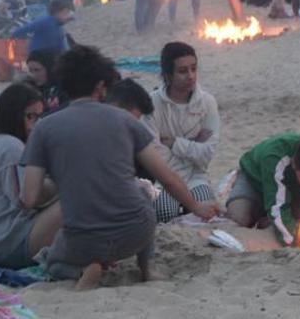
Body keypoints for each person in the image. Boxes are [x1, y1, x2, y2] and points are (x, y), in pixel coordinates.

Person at [20, 45, 219, 291]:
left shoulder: (44, 128)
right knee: (141, 193)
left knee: (51, 261)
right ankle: (147, 267)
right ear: (101, 86)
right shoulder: (124, 119)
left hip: (85, 240)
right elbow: (167, 178)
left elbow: (29, 197)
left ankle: (84, 270)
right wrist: (196, 206)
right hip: (137, 233)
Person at [0, 83, 62, 269]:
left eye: (39, 117)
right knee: (78, 198)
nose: (36, 124)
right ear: (13, 115)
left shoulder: (8, 144)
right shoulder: (8, 145)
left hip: (4, 239)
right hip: (4, 245)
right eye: (30, 117)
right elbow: (27, 200)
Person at [144, 42, 220, 223]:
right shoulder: (151, 104)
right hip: (161, 180)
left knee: (206, 211)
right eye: (183, 71)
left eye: (194, 69)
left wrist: (175, 144)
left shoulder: (207, 103)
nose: (191, 76)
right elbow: (154, 154)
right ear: (168, 75)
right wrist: (192, 146)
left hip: (196, 176)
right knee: (164, 212)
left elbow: (207, 154)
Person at [225, 133, 300, 247]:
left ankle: (266, 220)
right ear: (293, 164)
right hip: (254, 180)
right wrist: (298, 240)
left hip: (292, 189)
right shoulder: (274, 156)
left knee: (298, 220)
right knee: (240, 217)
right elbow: (278, 209)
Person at [26, 49, 67, 114]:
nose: (33, 75)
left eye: (37, 70)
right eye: (30, 70)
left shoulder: (63, 90)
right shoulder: (29, 89)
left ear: (49, 69)